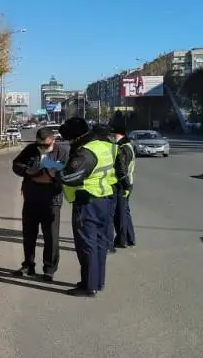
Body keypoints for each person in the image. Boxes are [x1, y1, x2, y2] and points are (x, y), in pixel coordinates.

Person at [56, 117, 127, 297]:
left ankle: (88, 286)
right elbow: (122, 171)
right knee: (101, 243)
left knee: (87, 244)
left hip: (87, 201)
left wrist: (58, 172)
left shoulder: (86, 152)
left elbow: (70, 177)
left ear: (76, 136)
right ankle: (97, 282)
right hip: (106, 199)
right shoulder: (108, 146)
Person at [11, 127, 70, 281]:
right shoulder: (31, 149)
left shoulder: (62, 152)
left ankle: (49, 269)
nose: (43, 147)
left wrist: (52, 175)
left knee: (51, 237)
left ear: (53, 140)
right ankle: (28, 265)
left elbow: (67, 174)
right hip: (31, 198)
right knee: (29, 235)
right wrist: (28, 171)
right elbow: (16, 164)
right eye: (40, 145)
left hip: (52, 200)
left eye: (46, 145)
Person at [110, 124, 136, 249]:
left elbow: (122, 169)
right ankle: (130, 238)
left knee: (119, 213)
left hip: (122, 184)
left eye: (113, 134)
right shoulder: (127, 145)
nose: (112, 136)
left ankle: (122, 239)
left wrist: (124, 186)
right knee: (125, 212)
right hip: (127, 182)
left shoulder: (123, 148)